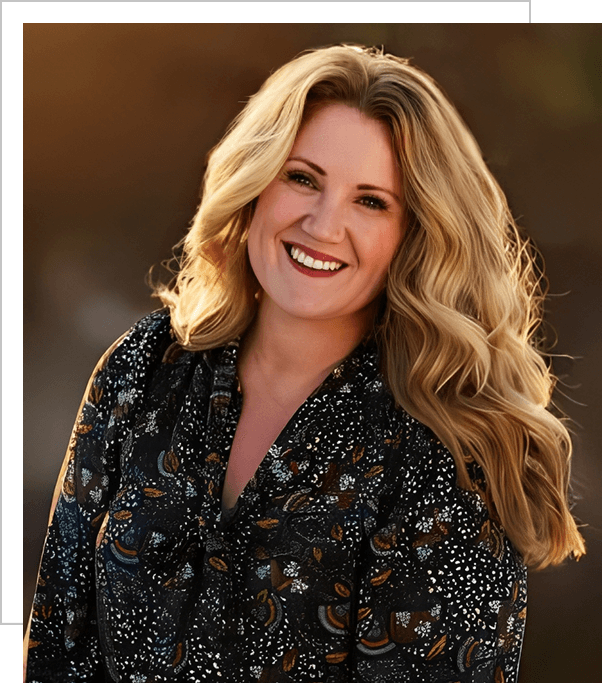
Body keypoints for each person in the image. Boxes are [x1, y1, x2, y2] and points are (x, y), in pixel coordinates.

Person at [24, 43, 585, 682]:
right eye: (302, 177)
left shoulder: (445, 453)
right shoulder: (144, 367)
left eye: (370, 201)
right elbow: (55, 641)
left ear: (416, 236)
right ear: (256, 182)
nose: (322, 224)